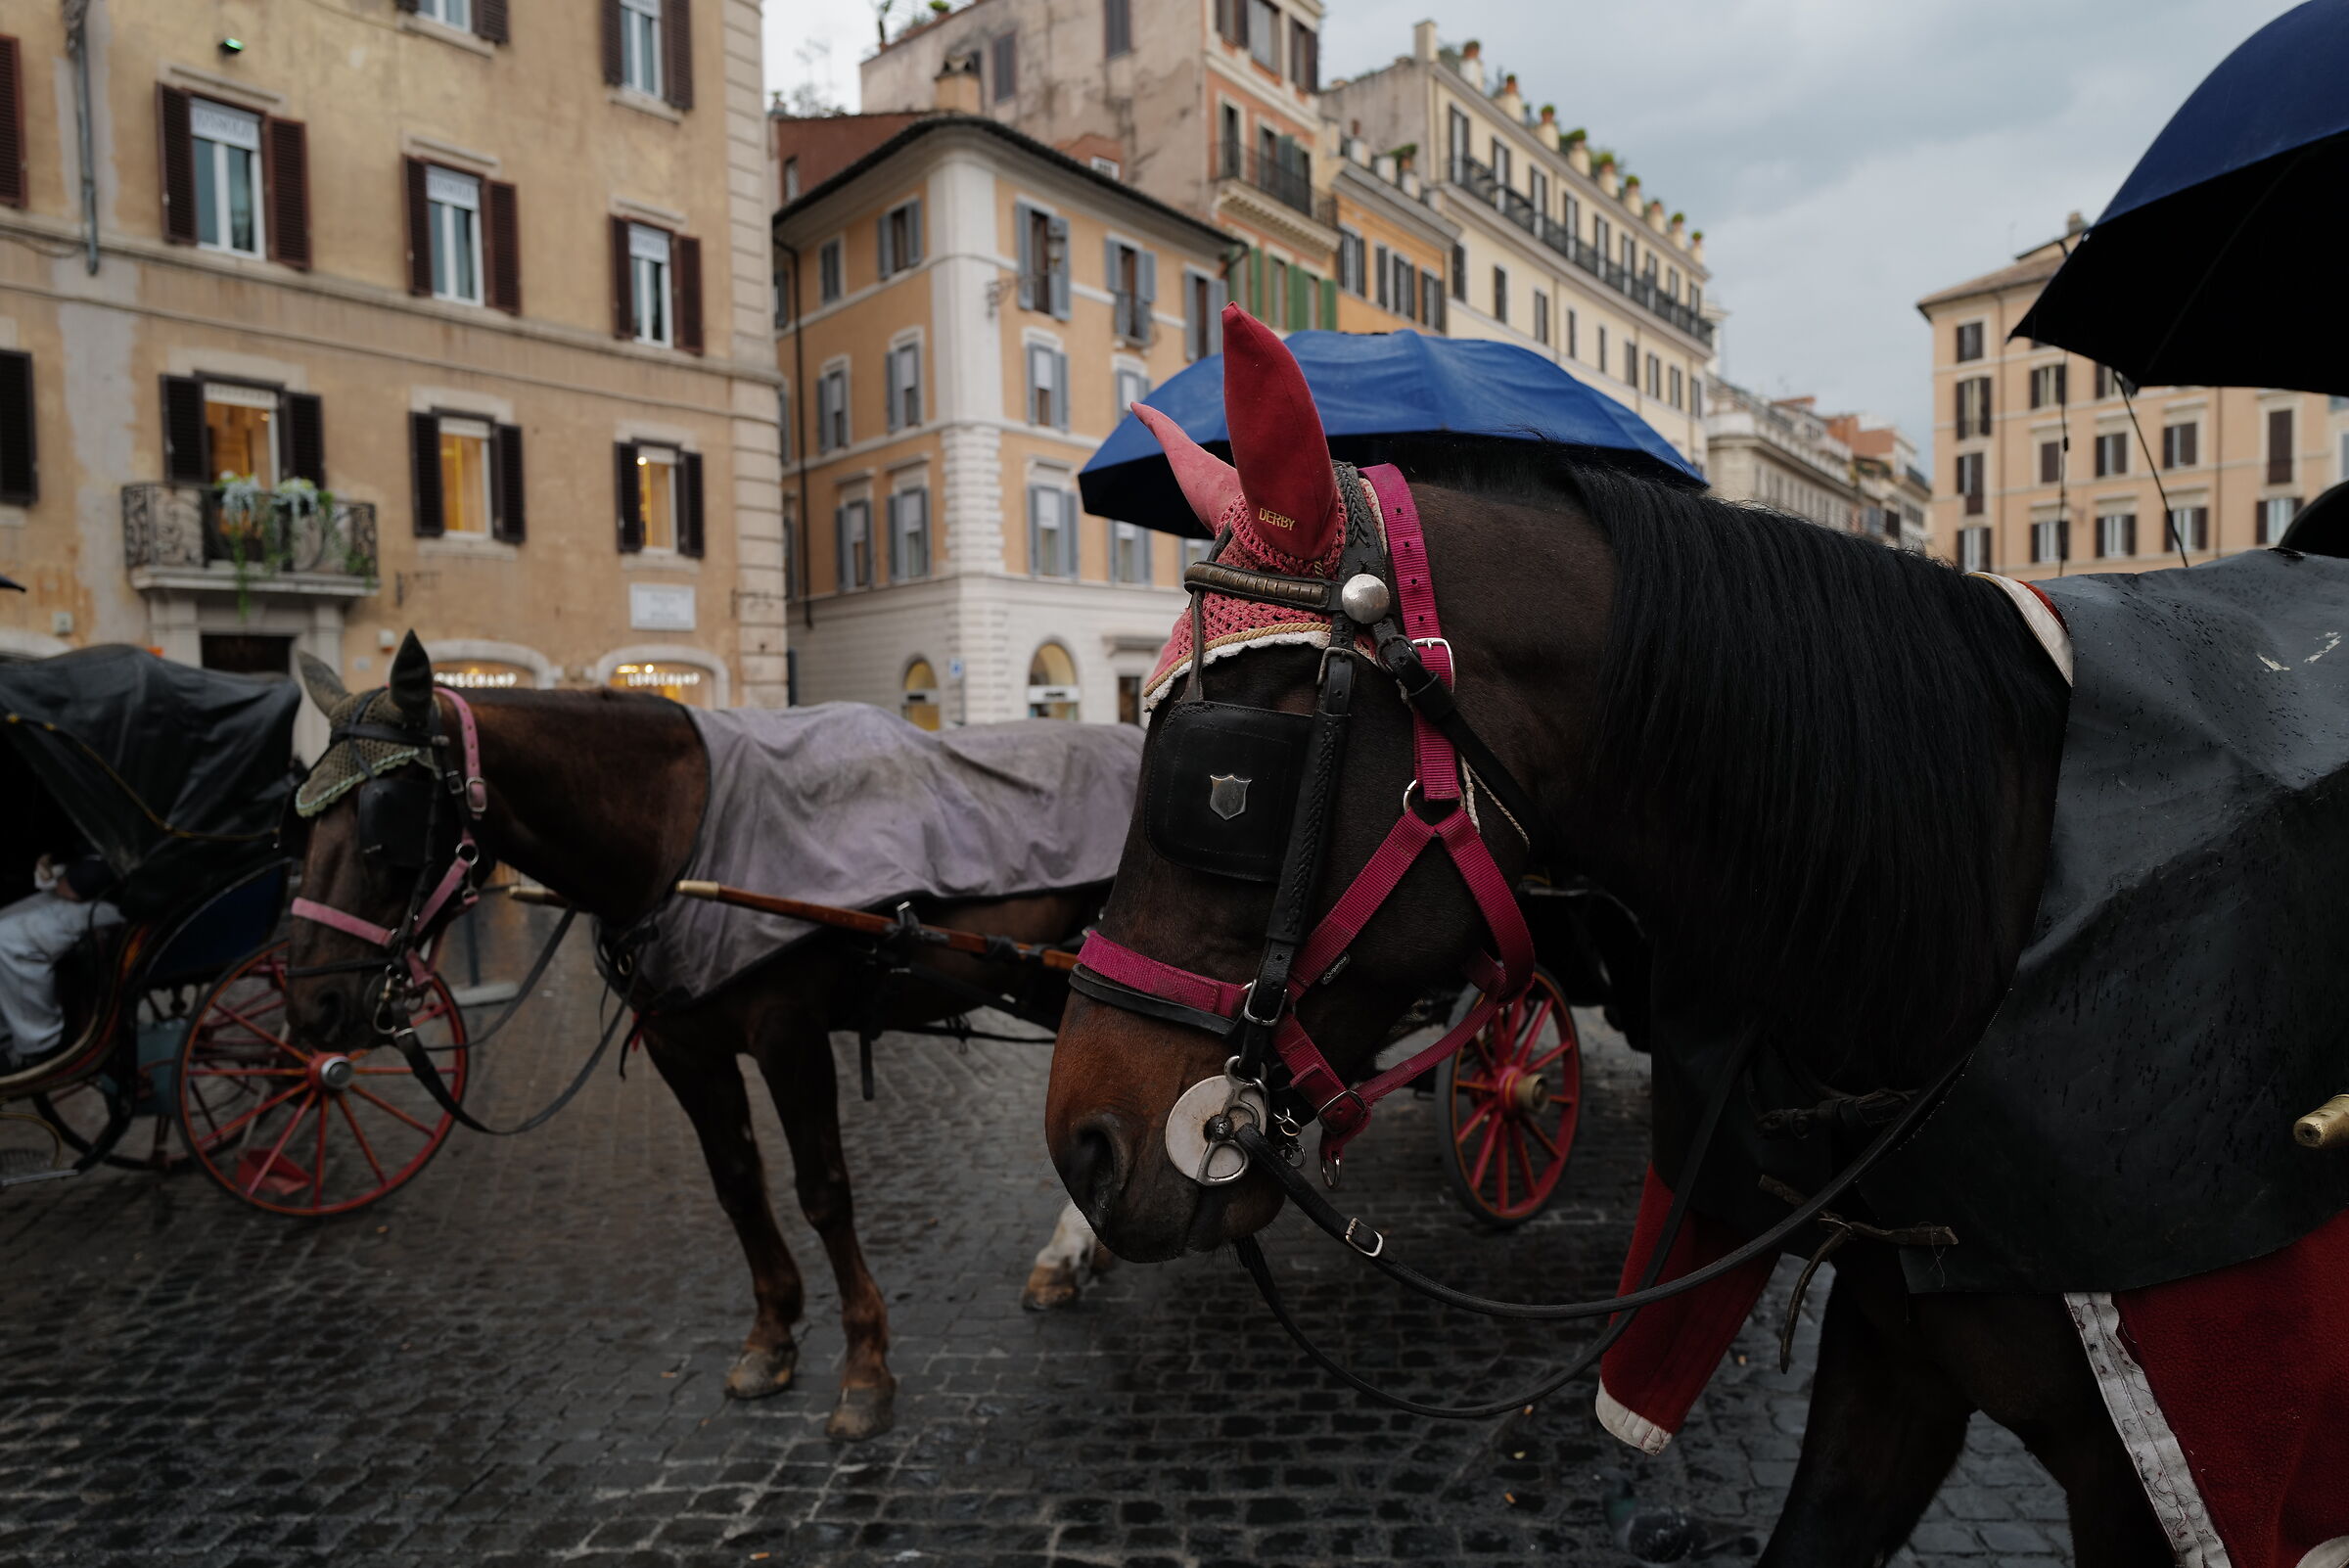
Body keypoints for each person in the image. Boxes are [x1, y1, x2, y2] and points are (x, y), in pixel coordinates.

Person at [0, 850, 122, 1073]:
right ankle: (8, 1034)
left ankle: (42, 1044)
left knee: (7, 941)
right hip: (92, 875)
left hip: (123, 893)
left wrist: (81, 880)